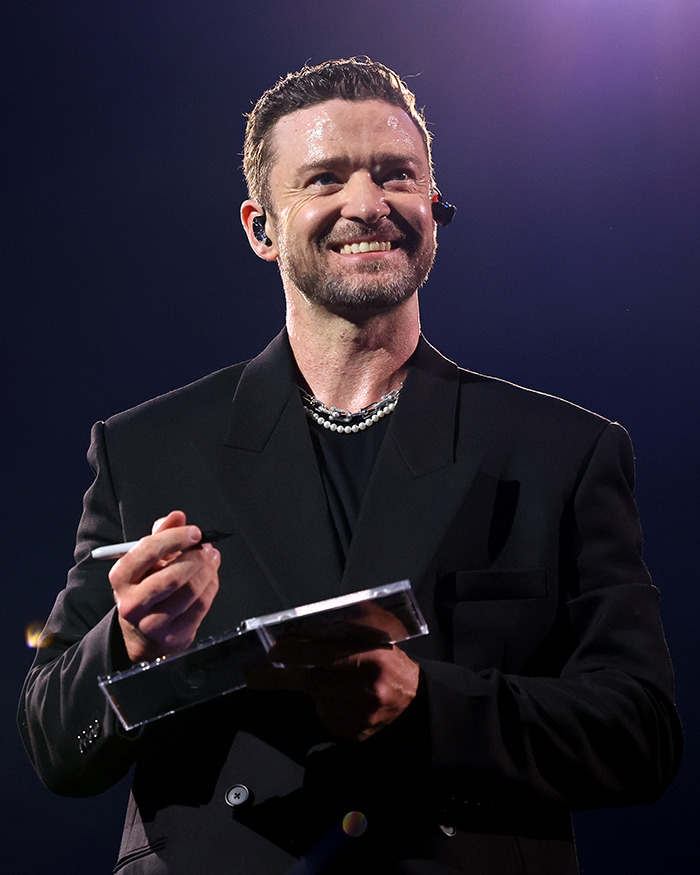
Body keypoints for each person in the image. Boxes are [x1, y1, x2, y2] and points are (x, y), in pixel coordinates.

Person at [19, 58, 682, 875]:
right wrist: (124, 644)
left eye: (396, 174)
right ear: (262, 227)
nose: (367, 204)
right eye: (326, 177)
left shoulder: (563, 450)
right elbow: (54, 742)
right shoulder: (147, 448)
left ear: (434, 209)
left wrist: (431, 706)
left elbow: (641, 732)